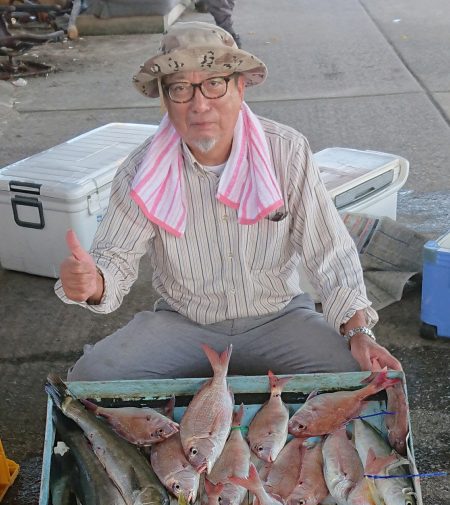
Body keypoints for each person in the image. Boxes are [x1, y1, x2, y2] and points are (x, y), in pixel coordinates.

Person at [56, 21, 402, 382]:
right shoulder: (139, 171)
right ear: (165, 99)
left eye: (214, 84)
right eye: (180, 89)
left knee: (362, 373)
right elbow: (115, 258)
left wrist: (358, 332)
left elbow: (329, 250)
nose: (199, 104)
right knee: (90, 377)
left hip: (280, 319)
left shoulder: (287, 150)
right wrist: (92, 283)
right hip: (184, 324)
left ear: (240, 87)